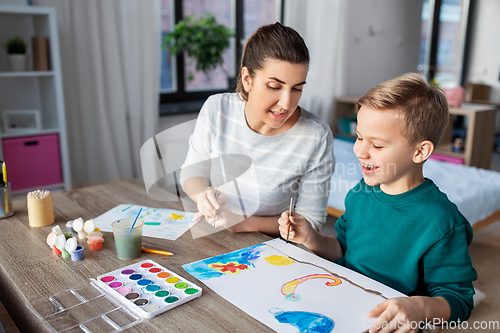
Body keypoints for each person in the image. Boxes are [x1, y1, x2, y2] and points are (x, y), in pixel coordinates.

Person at [278, 73, 477, 332]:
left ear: (420, 152)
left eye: (378, 145)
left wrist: (421, 307)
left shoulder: (442, 221)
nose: (360, 151)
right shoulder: (360, 192)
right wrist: (311, 238)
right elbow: (343, 249)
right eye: (359, 137)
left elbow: (459, 300)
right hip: (340, 306)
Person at [179, 22, 334, 236]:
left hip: (272, 250)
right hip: (214, 235)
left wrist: (244, 223)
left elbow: (311, 221)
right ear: (247, 79)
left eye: (297, 88)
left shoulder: (316, 136)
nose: (286, 103)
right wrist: (203, 196)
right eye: (274, 87)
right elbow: (191, 173)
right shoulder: (217, 109)